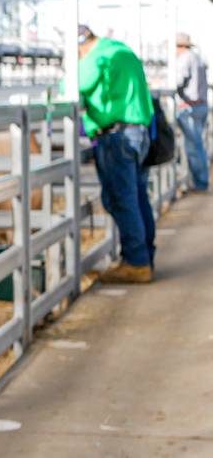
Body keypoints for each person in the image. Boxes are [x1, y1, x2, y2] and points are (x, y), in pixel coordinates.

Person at [76, 25, 157, 284]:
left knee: (122, 199)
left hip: (118, 135)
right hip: (139, 131)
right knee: (137, 196)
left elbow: (76, 85)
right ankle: (145, 256)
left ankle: (136, 262)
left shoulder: (98, 56)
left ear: (80, 46)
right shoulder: (121, 50)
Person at [175, 31, 208, 191]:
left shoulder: (185, 58)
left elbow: (180, 81)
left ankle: (201, 182)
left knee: (193, 147)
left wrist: (182, 98)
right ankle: (200, 180)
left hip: (191, 107)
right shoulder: (198, 57)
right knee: (197, 145)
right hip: (201, 105)